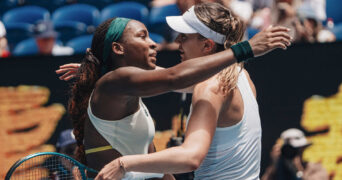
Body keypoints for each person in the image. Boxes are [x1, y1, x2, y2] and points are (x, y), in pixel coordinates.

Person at [57, 3, 291, 180]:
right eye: (143, 37)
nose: (175, 41)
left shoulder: (209, 85)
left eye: (185, 37)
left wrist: (124, 164)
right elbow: (174, 77)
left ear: (207, 45)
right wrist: (99, 69)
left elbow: (190, 156)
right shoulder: (242, 77)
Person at [261, 128, 329, 180]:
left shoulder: (316, 169)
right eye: (288, 150)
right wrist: (273, 165)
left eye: (296, 150)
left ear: (303, 148)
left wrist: (298, 170)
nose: (292, 153)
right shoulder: (276, 171)